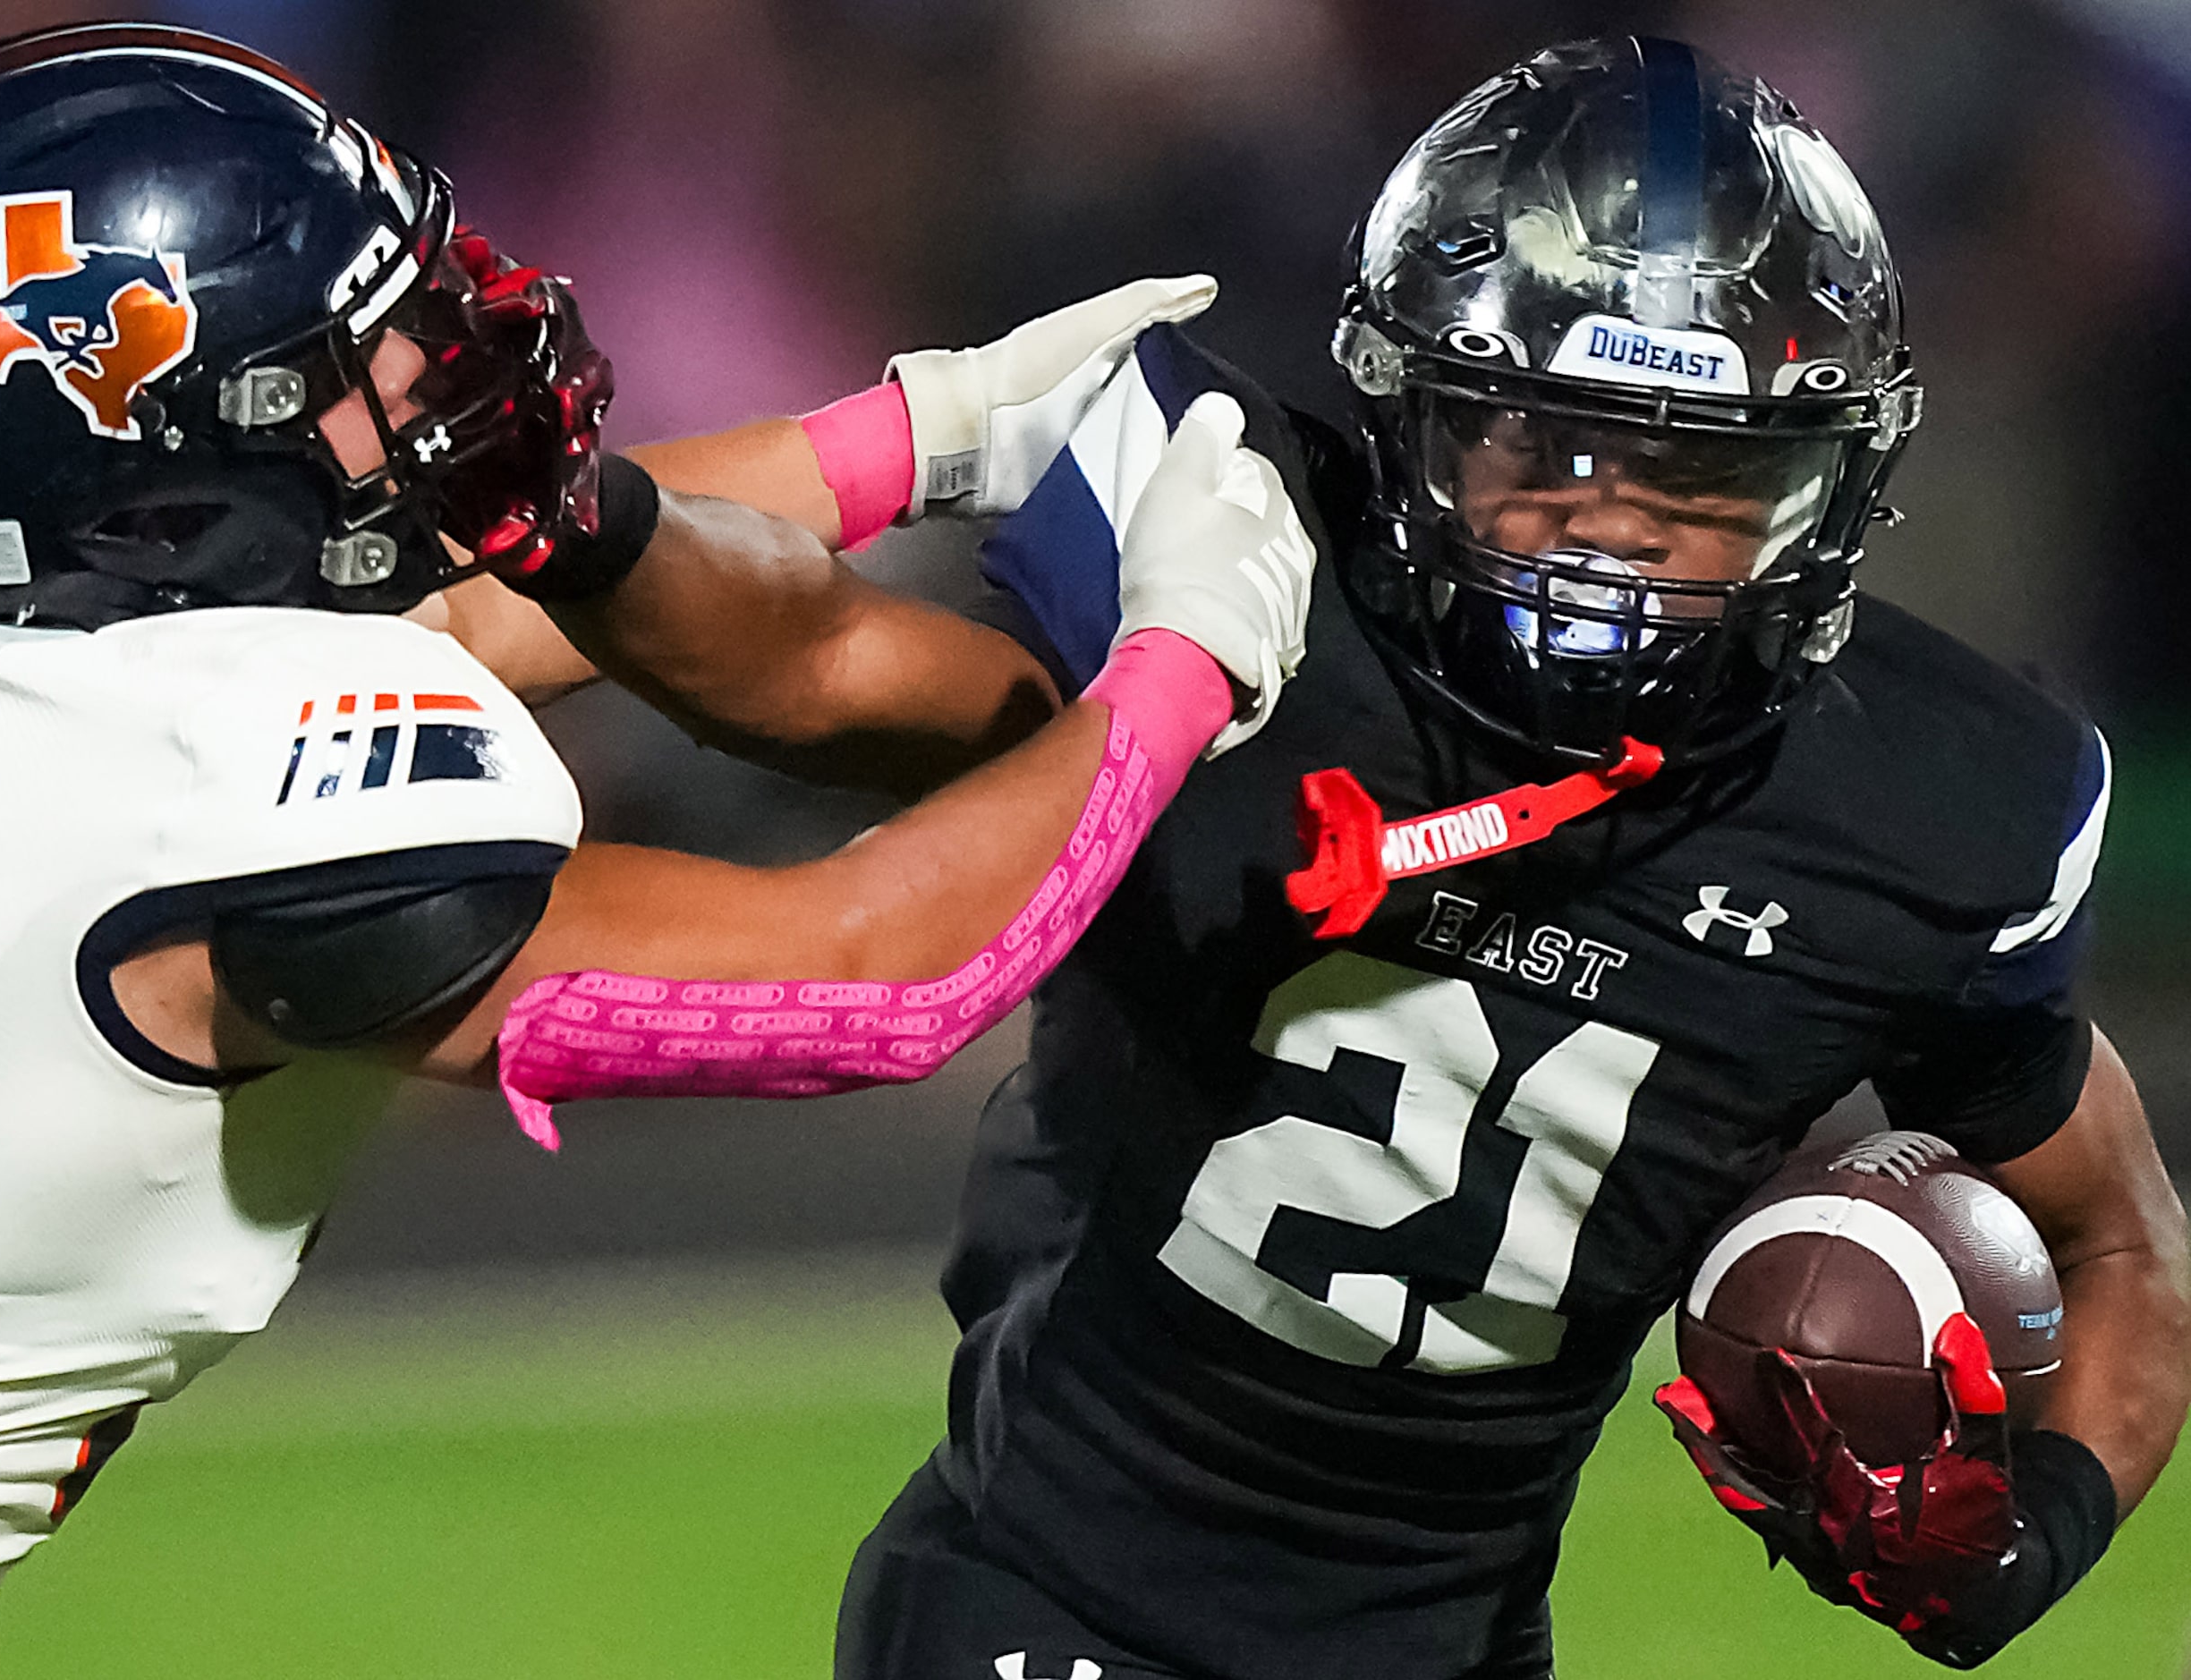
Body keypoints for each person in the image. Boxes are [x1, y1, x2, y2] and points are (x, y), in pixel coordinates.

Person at [0, 25, 1320, 1679]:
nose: (419, 365)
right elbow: (870, 974)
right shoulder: (226, 784)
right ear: (153, 483)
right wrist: (1182, 663)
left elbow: (475, 581)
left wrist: (922, 433)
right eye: (343, 354)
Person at [775, 38, 2184, 1680]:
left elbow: (2126, 1242)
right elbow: (795, 653)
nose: (1620, 530)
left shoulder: (1932, 810)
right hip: (1050, 1595)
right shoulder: (1245, 561)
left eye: (1704, 473)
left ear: (1824, 489)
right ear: (1420, 416)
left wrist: (2025, 1546)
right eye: (1555, 450)